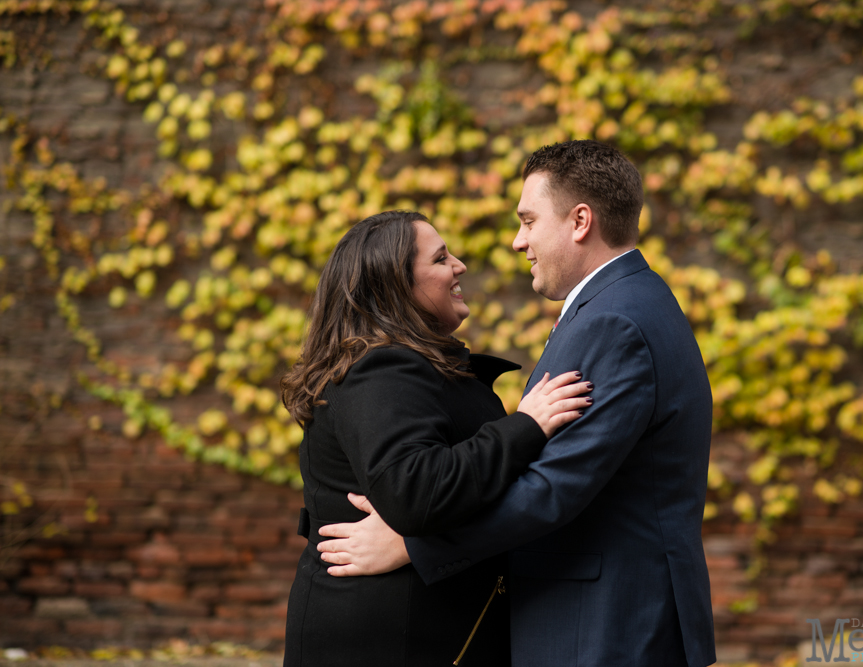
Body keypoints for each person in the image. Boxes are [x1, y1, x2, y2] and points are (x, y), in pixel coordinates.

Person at [317, 141, 717, 667]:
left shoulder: (612, 321)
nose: (516, 241)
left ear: (579, 221)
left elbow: (554, 486)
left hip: (606, 624)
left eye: (528, 221)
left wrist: (414, 546)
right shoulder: (626, 303)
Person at [279, 210, 593, 666]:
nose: (460, 265)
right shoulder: (381, 368)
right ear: (395, 286)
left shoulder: (404, 364)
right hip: (389, 636)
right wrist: (527, 425)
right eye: (441, 258)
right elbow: (416, 490)